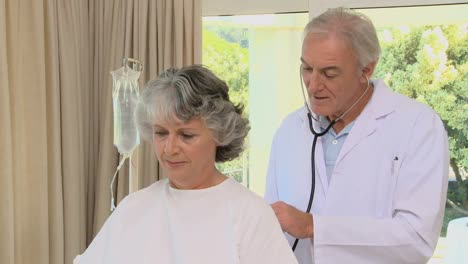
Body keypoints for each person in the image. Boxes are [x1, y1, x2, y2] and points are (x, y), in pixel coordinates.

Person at [264, 7, 449, 264]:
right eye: (307, 69)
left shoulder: (418, 126)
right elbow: (272, 230)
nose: (313, 85)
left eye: (329, 73)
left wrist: (313, 227)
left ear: (366, 70)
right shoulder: (290, 130)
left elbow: (417, 239)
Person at [74, 65, 298, 264]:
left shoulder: (250, 214)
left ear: (219, 134)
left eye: (186, 135)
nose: (169, 148)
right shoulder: (133, 208)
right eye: (161, 133)